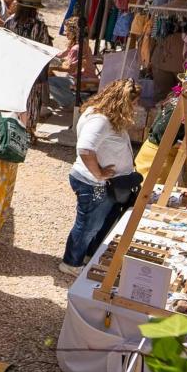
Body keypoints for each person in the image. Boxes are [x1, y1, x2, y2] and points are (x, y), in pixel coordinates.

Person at [62, 79, 142, 274]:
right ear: (123, 101)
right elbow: (85, 148)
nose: (136, 107)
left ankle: (87, 255)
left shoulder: (106, 116)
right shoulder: (100, 120)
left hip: (104, 183)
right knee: (89, 225)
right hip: (94, 183)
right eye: (134, 102)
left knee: (98, 223)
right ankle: (71, 263)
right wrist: (98, 172)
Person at [8, 0, 53, 133]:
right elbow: (46, 47)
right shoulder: (39, 26)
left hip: (12, 67)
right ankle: (29, 131)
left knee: (13, 98)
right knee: (32, 100)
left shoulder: (10, 23)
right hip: (32, 69)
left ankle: (12, 129)